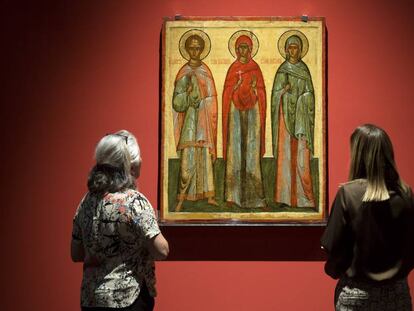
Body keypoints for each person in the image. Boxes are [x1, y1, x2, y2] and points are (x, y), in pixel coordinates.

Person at [71, 130, 169, 311]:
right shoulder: (134, 202)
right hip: (128, 298)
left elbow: (76, 254)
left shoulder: (86, 201)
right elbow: (162, 251)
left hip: (91, 299)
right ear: (127, 164)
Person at [321, 124, 414, 310]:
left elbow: (333, 248)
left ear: (359, 155)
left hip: (356, 296)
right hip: (397, 295)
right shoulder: (406, 195)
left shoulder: (348, 194)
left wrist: (334, 271)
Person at [172, 33, 218, 212]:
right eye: (191, 48)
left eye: (198, 48)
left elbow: (212, 98)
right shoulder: (184, 73)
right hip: (190, 121)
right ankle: (182, 197)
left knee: (205, 158)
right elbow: (176, 103)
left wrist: (204, 101)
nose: (195, 51)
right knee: (187, 161)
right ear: (187, 49)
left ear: (202, 50)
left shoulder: (205, 71)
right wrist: (187, 94)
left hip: (204, 121)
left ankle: (209, 196)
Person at [222, 34, 266, 208]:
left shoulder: (256, 69)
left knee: (252, 154)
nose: (243, 50)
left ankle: (255, 198)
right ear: (236, 49)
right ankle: (233, 196)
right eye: (240, 47)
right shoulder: (233, 69)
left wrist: (256, 90)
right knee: (235, 151)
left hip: (253, 113)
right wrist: (234, 87)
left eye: (246, 47)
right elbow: (226, 93)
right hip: (235, 114)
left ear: (251, 49)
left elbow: (262, 93)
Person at [271, 34, 315, 208]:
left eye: (296, 47)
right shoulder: (282, 70)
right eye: (290, 47)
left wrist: (304, 98)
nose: (292, 50)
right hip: (285, 123)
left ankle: (304, 199)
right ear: (286, 49)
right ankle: (284, 198)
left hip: (301, 121)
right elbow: (275, 96)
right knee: (285, 157)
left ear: (301, 50)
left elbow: (311, 95)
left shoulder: (304, 70)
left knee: (302, 159)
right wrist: (283, 91)